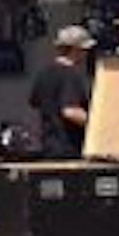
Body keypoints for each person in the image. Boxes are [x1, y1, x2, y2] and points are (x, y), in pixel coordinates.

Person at [29, 25, 95, 157]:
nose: (86, 54)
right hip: (69, 148)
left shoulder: (43, 73)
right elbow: (70, 111)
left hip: (48, 146)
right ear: (76, 49)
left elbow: (34, 102)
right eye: (85, 50)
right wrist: (99, 125)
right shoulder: (70, 75)